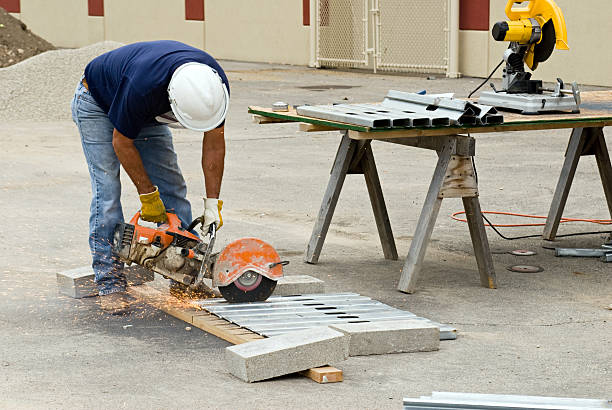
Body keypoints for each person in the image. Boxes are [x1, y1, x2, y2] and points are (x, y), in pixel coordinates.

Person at [71, 40, 229, 314]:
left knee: (173, 187)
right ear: (173, 101)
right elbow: (121, 142)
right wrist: (148, 196)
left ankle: (183, 279)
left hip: (145, 112)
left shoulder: (213, 87)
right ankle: (110, 282)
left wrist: (212, 203)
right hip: (97, 101)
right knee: (107, 191)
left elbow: (214, 143)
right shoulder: (143, 85)